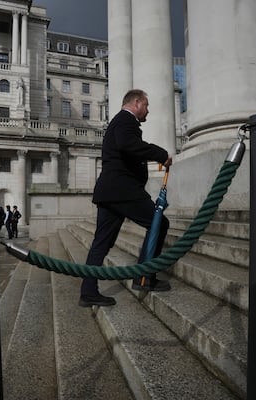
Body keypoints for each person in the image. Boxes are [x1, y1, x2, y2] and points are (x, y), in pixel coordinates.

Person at [79, 89, 173, 308]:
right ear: (137, 102)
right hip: (123, 190)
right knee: (160, 223)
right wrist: (161, 154)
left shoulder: (119, 122)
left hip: (110, 191)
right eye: (146, 105)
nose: (147, 110)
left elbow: (127, 150)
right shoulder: (125, 120)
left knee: (101, 243)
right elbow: (127, 145)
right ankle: (144, 277)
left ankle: (88, 291)